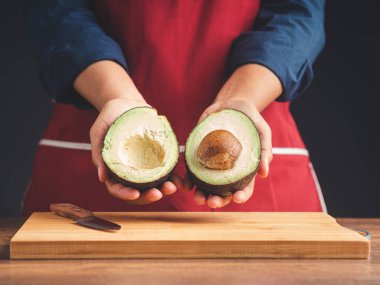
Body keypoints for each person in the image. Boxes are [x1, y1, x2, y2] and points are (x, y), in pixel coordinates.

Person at [22, 0, 326, 216]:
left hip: (263, 186)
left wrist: (242, 98)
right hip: (86, 175)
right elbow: (55, 9)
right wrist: (116, 97)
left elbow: (297, 14)